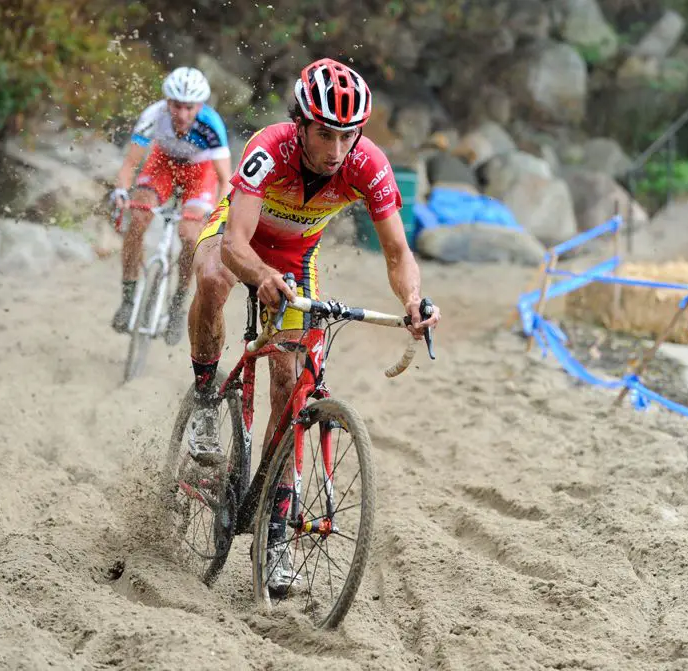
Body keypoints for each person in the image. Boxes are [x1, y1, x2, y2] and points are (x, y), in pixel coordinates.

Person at [184, 58, 441, 592]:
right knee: (210, 276)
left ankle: (276, 531)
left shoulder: (368, 165)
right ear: (300, 123)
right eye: (325, 132)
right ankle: (207, 394)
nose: (336, 149)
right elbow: (234, 245)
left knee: (291, 379)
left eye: (348, 135)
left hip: (297, 258)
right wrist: (258, 275)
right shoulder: (269, 148)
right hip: (242, 241)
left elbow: (398, 252)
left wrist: (415, 301)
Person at [109, 66, 232, 345]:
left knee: (190, 235)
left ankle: (177, 304)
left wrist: (218, 212)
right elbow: (130, 164)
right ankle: (128, 298)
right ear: (167, 102)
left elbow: (225, 179)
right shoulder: (154, 116)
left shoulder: (211, 124)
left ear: (199, 105)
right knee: (137, 221)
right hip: (162, 164)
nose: (183, 114)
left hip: (199, 173)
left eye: (190, 107)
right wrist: (120, 191)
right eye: (177, 106)